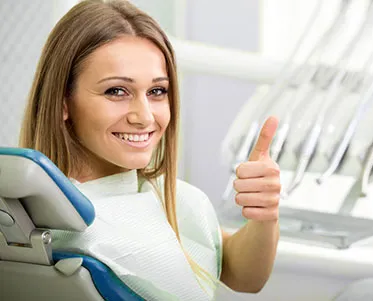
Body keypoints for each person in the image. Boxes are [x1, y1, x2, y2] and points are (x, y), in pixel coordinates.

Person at [19, 0, 280, 300]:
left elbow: (242, 275)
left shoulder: (166, 198)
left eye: (157, 91)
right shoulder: (71, 224)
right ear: (63, 101)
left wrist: (264, 215)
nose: (144, 116)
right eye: (116, 91)